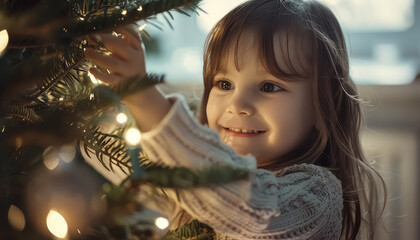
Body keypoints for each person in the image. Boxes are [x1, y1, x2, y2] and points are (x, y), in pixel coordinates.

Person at [84, 0, 386, 239]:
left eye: (269, 87)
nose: (237, 105)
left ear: (322, 107)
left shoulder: (318, 193)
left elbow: (255, 214)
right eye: (224, 84)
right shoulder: (190, 189)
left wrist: (145, 100)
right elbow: (122, 158)